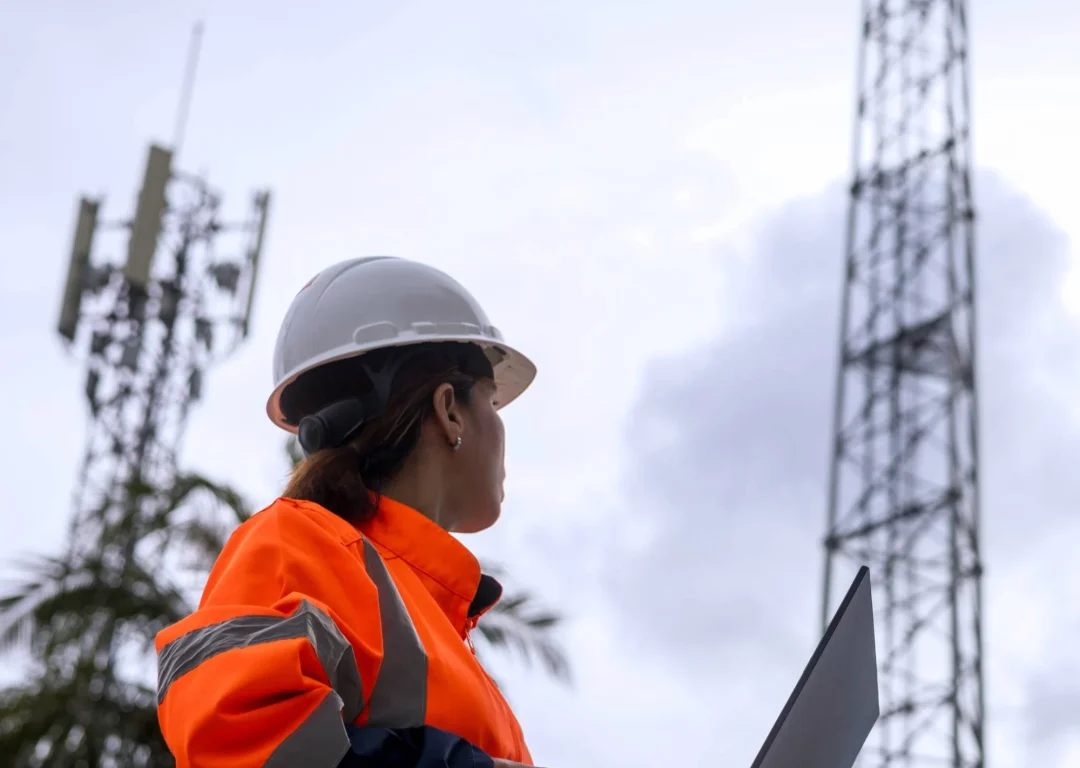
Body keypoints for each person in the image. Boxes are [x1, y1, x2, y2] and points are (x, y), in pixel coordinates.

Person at [155, 256, 546, 768]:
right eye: (492, 405)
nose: (500, 429)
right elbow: (244, 743)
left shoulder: (427, 615)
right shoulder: (298, 544)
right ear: (449, 409)